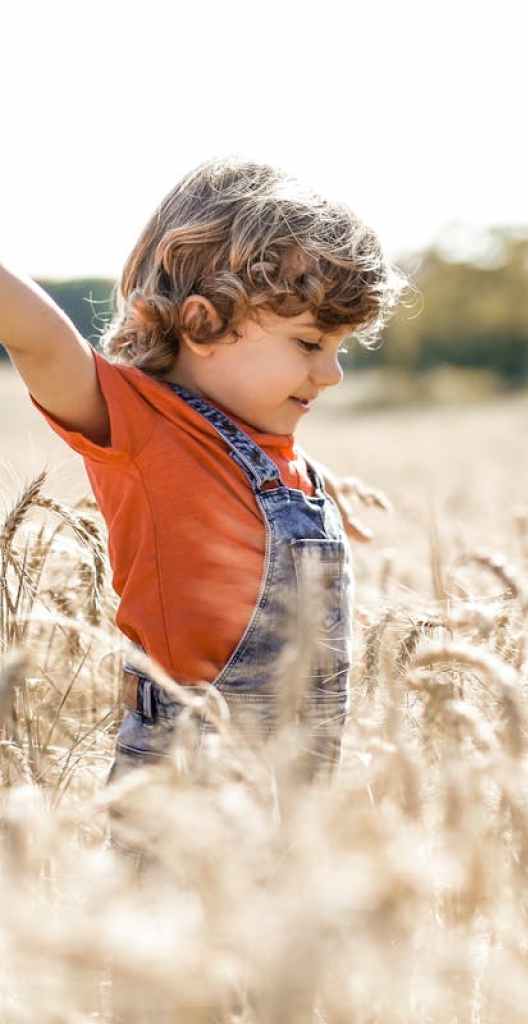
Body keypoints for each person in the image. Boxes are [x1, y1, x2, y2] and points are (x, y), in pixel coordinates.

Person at [0, 155, 411, 851]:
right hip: (182, 788)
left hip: (290, 796)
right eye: (310, 342)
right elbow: (39, 338)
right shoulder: (142, 427)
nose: (332, 373)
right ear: (201, 323)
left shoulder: (284, 457)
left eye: (339, 347)